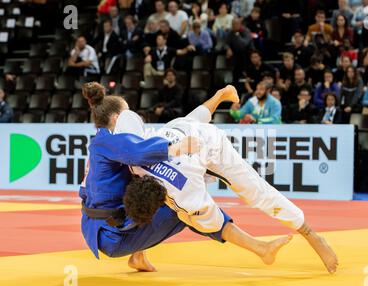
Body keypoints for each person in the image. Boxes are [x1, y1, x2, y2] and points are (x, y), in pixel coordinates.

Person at [117, 88, 338, 274]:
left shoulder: (183, 192)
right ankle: (221, 94)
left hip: (213, 148)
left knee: (255, 192)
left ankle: (312, 236)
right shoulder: (135, 160)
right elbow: (126, 114)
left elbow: (216, 223)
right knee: (189, 122)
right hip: (178, 130)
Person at [80, 82, 293, 271]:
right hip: (112, 235)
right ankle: (260, 248)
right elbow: (137, 153)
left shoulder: (101, 142)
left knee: (151, 187)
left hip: (99, 224)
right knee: (185, 207)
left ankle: (139, 255)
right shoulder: (115, 143)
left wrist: (218, 97)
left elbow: (185, 123)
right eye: (128, 114)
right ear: (117, 118)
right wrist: (175, 148)